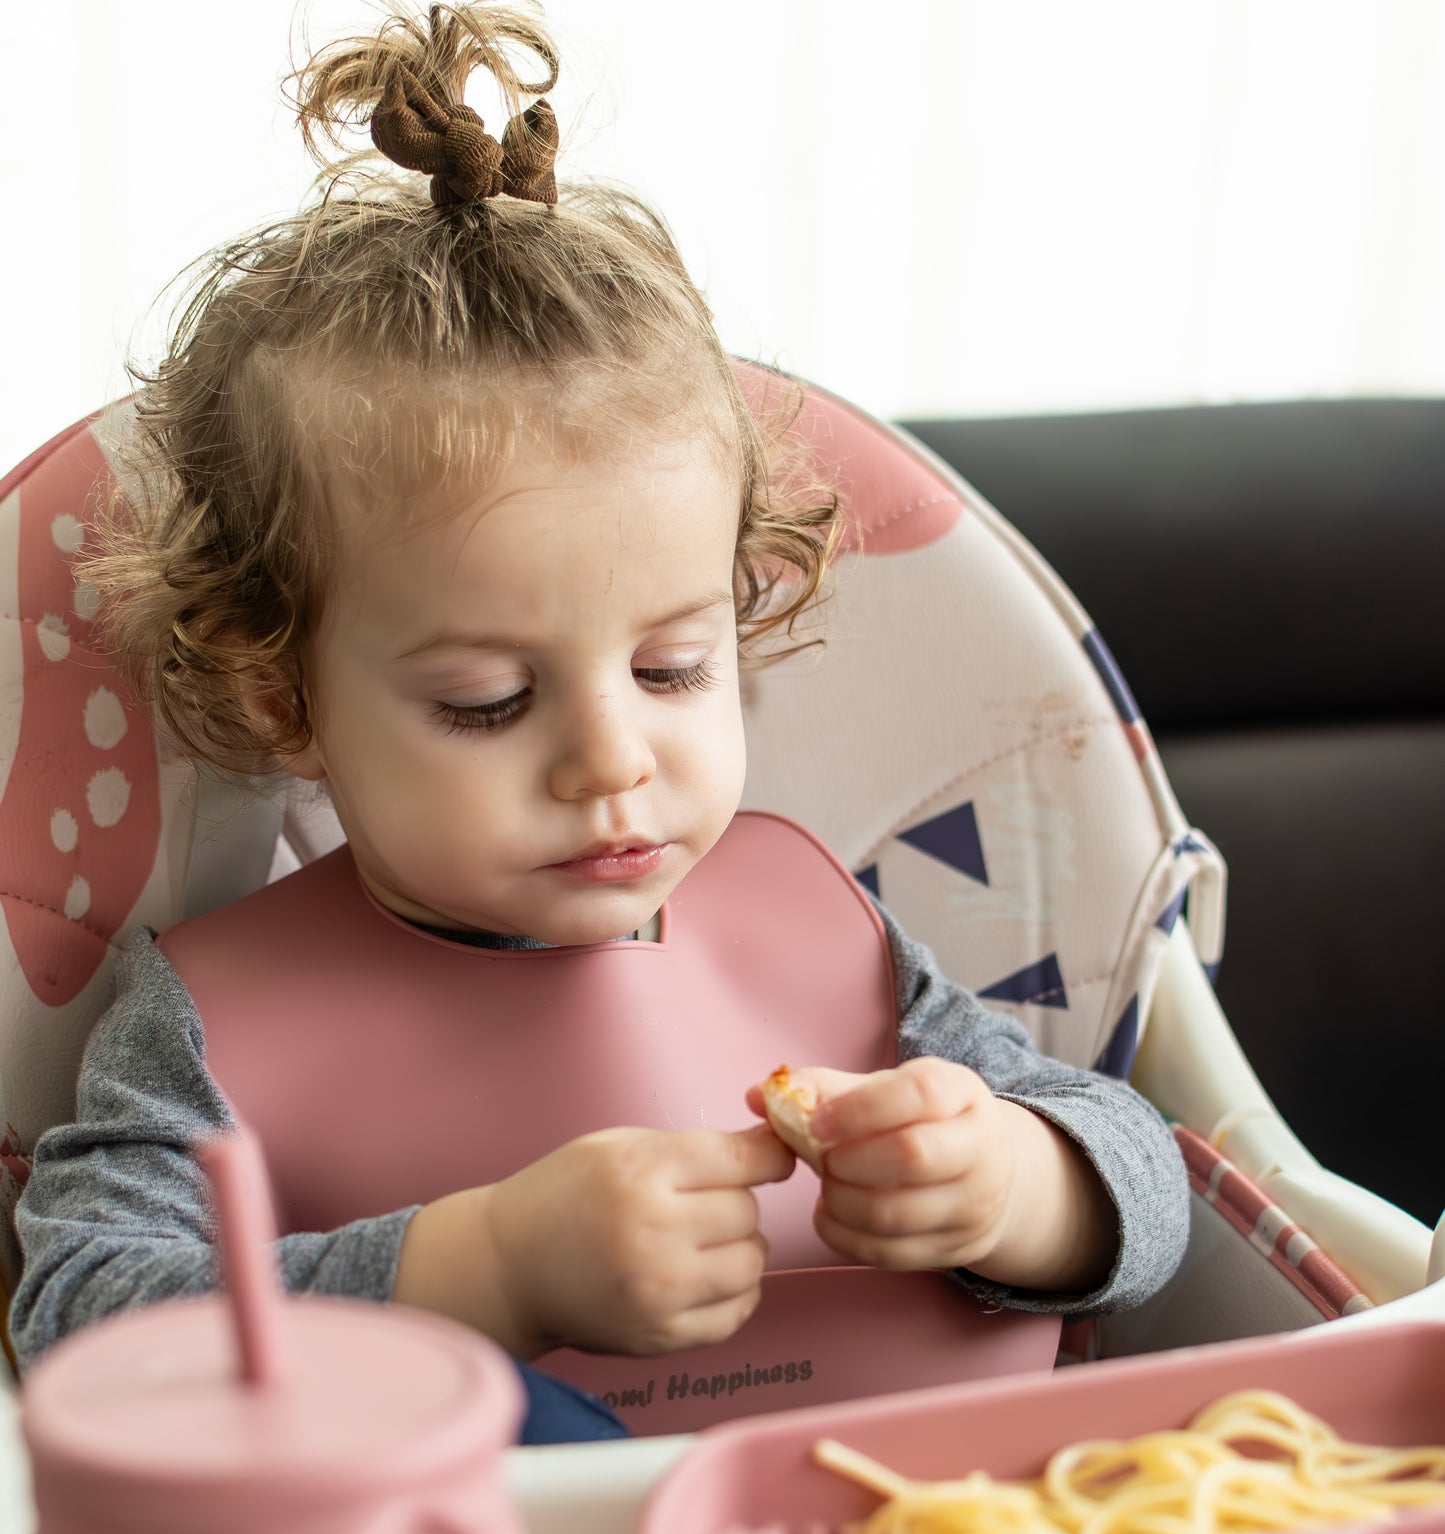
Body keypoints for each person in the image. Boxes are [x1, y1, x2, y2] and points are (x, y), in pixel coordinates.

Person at [9, 3, 1189, 1442]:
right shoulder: (205, 1026)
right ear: (283, 696)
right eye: (488, 701)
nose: (612, 762)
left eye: (675, 668)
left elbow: (1149, 1174)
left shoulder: (824, 939)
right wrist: (476, 1270)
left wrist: (1014, 1184)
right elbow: (75, 1321)